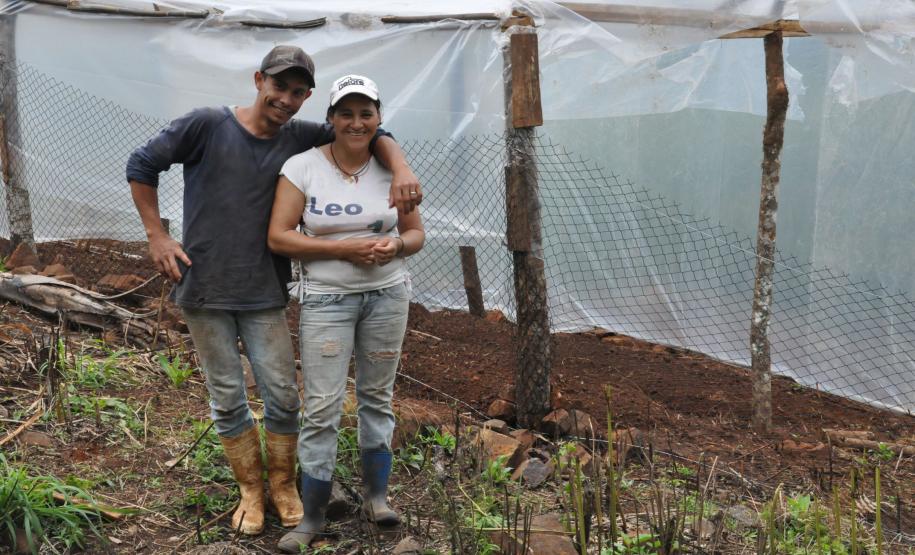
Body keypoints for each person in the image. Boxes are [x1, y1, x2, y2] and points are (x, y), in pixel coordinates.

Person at [126, 47, 422, 536]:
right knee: (226, 396)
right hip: (202, 284)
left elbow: (369, 130)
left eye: (297, 92)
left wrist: (404, 165)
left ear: (308, 99)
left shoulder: (302, 138)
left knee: (284, 397)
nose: (285, 99)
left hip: (264, 289)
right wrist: (158, 235)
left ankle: (284, 486)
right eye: (278, 87)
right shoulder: (206, 124)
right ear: (258, 79)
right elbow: (142, 163)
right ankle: (250, 490)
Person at [266, 74, 424, 552]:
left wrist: (395, 243)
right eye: (346, 113)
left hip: (387, 297)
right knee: (322, 407)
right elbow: (278, 236)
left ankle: (378, 498)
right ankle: (311, 517)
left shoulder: (394, 173)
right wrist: (347, 249)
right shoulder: (303, 167)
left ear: (378, 119)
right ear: (331, 119)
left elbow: (416, 234)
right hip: (326, 300)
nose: (356, 123)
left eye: (366, 114)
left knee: (377, 397)